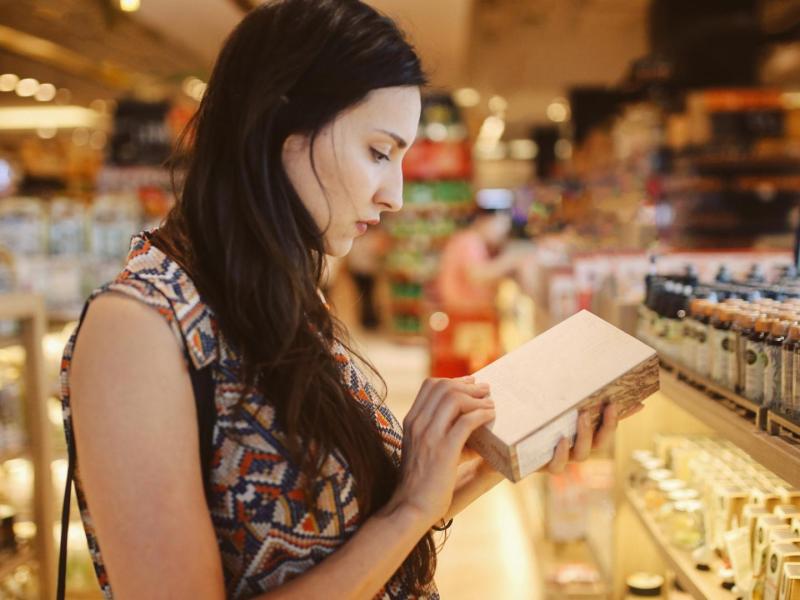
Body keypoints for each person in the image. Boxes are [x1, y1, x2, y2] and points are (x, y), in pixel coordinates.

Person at [61, 1, 638, 598]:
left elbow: (360, 540)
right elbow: (397, 520)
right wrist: (410, 505)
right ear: (280, 128)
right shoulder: (138, 329)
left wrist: (497, 451)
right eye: (379, 152)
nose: (395, 195)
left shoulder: (278, 294)